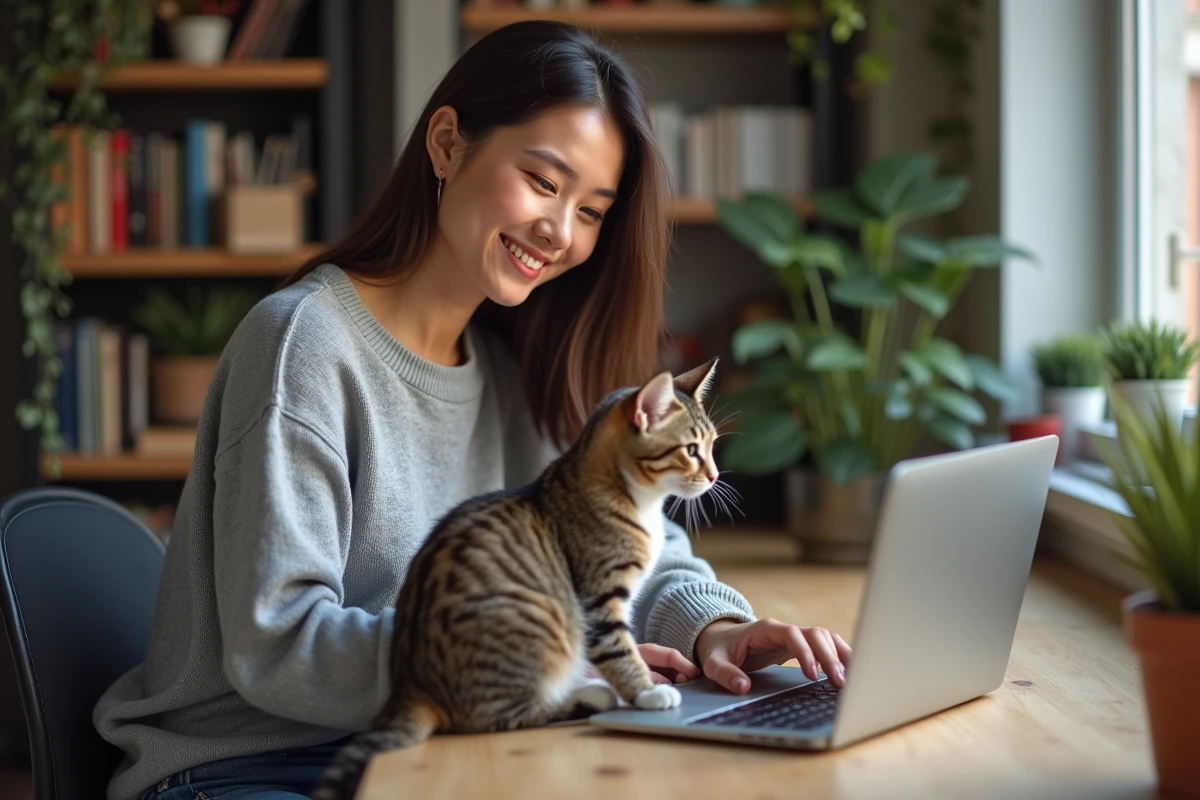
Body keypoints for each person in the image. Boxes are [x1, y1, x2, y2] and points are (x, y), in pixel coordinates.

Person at [93, 20, 853, 800]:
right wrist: (538, 662)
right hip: (252, 765)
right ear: (448, 144)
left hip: (434, 744)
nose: (559, 232)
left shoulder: (513, 365)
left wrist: (716, 629)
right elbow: (278, 645)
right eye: (543, 181)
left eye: (592, 211)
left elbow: (618, 549)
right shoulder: (304, 347)